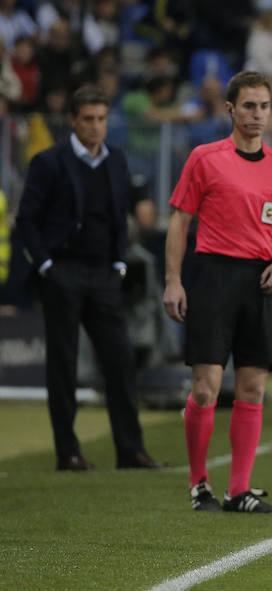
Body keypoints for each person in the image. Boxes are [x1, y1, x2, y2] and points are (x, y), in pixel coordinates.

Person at [163, 71, 272, 514]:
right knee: (206, 387)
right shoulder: (205, 158)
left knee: (252, 385)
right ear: (230, 109)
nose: (257, 114)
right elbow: (179, 222)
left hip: (259, 280)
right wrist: (173, 281)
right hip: (212, 275)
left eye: (264, 106)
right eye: (248, 106)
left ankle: (238, 491)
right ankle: (198, 484)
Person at [15, 85, 168, 472]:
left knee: (120, 361)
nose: (96, 126)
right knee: (63, 365)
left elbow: (120, 217)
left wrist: (118, 263)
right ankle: (68, 452)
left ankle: (130, 450)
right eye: (88, 119)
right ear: (72, 120)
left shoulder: (116, 160)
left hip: (103, 274)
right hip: (63, 271)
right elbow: (26, 221)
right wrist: (46, 266)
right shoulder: (49, 161)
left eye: (101, 119)